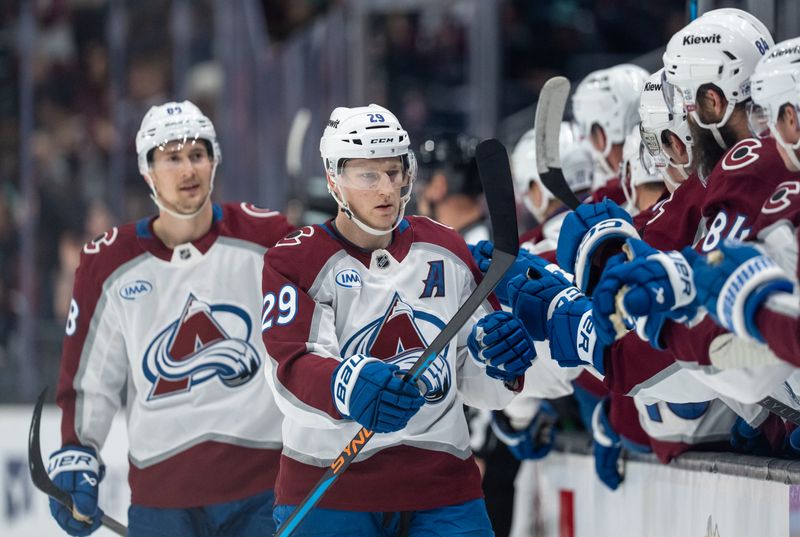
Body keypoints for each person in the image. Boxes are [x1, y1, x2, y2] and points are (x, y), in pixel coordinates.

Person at [261, 104, 537, 536]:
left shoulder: (446, 247)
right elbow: (289, 370)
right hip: (333, 494)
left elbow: (474, 376)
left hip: (443, 490)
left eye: (394, 171)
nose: (386, 188)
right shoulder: (295, 259)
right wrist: (347, 386)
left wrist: (501, 361)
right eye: (368, 175)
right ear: (334, 179)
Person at [47, 101, 295, 537]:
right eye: (172, 157)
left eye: (197, 155)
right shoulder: (106, 264)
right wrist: (77, 451)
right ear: (147, 170)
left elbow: (310, 338)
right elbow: (92, 382)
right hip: (163, 500)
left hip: (264, 489)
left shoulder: (266, 238)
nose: (188, 170)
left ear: (214, 160)